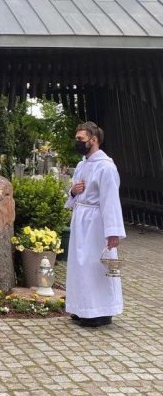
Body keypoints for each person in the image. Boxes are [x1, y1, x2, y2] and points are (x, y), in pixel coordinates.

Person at [65, 121, 125, 328]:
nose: (77, 142)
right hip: (81, 218)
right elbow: (72, 193)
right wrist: (74, 191)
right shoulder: (82, 165)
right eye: (77, 139)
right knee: (79, 265)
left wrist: (113, 233)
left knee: (95, 266)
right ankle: (82, 308)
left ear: (94, 140)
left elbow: (110, 201)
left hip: (96, 222)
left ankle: (101, 312)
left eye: (80, 139)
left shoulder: (106, 167)